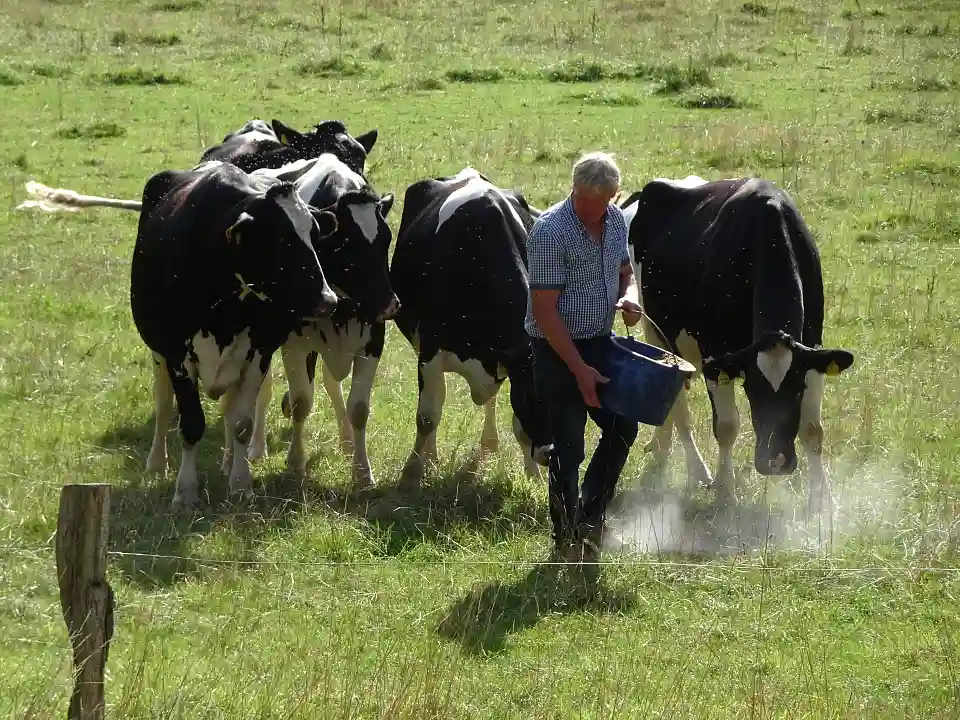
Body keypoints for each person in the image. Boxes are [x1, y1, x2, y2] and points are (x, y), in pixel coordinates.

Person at [524, 151, 643, 563]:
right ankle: (564, 538)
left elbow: (625, 271)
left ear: (614, 196)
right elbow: (544, 311)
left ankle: (590, 516)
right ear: (573, 189)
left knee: (624, 426)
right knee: (569, 445)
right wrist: (579, 369)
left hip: (600, 342)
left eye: (601, 201)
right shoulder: (549, 232)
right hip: (558, 351)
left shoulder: (614, 221)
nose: (592, 209)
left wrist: (628, 297)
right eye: (585, 200)